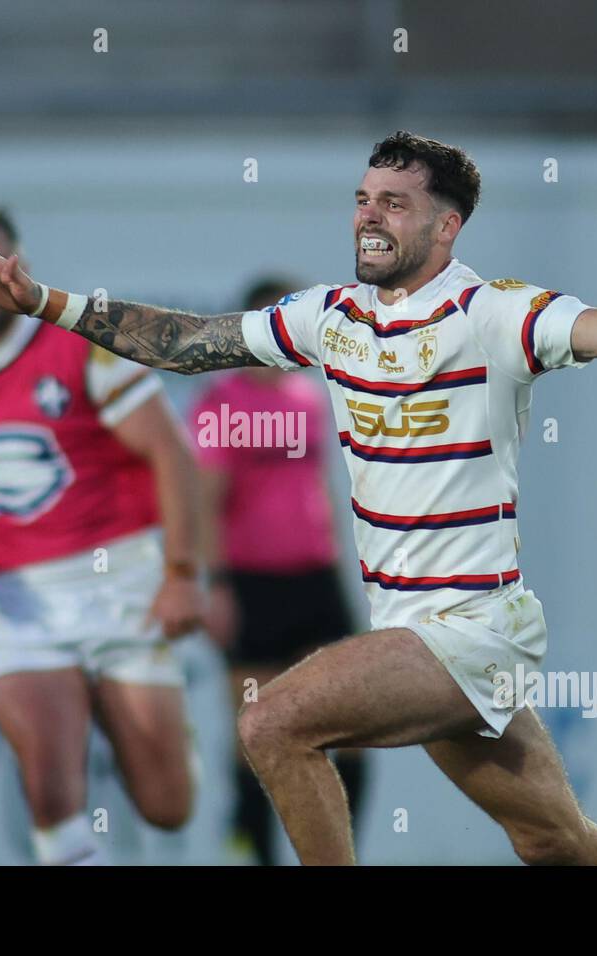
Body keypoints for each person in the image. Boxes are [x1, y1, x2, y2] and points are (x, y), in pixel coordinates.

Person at [0, 131, 597, 865]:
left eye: (395, 203)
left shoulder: (490, 314)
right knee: (555, 841)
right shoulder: (332, 315)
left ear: (448, 226)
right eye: (363, 198)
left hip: (468, 630)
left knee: (270, 724)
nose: (370, 217)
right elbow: (189, 342)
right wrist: (42, 301)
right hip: (411, 632)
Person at [0, 209, 202, 866]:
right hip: (20, 604)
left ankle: (131, 713)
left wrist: (183, 575)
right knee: (50, 788)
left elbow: (172, 454)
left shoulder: (80, 348)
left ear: (19, 272)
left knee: (167, 807)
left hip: (120, 585)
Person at [191, 276, 367, 864]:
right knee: (257, 729)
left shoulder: (309, 396)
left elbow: (314, 486)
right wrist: (214, 588)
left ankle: (341, 852)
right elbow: (206, 500)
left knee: (356, 726)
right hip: (251, 583)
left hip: (314, 579)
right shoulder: (222, 404)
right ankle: (254, 850)